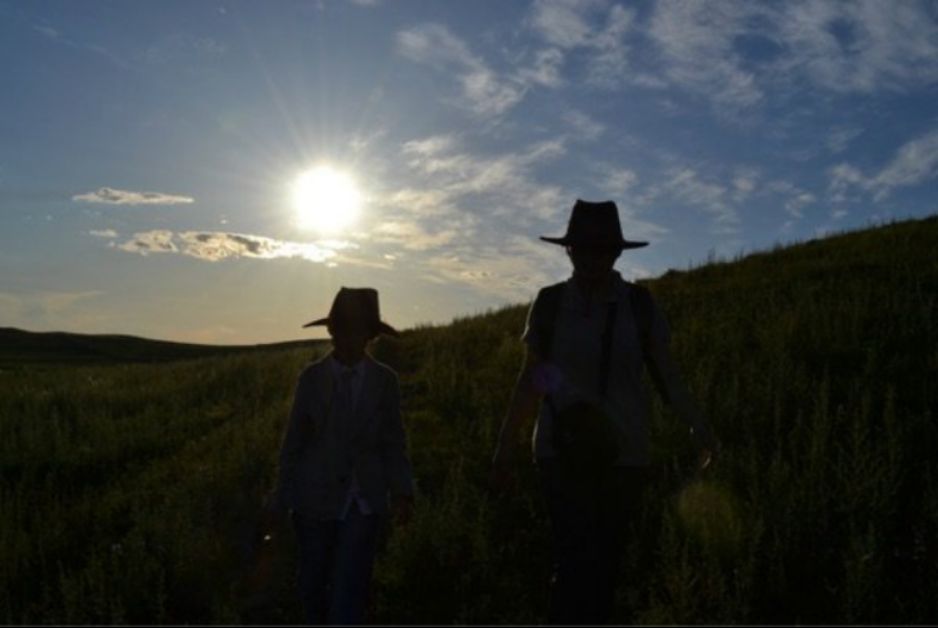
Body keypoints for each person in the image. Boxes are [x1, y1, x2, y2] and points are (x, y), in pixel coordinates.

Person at [491, 200, 719, 625]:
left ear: (615, 254)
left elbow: (667, 376)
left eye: (601, 249)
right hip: (561, 452)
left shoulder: (640, 305)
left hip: (624, 457)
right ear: (569, 251)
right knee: (575, 561)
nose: (592, 257)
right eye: (583, 249)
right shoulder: (551, 303)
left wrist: (701, 431)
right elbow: (532, 380)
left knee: (606, 566)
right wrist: (506, 446)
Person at [263, 287, 415, 625]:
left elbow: (394, 442)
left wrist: (402, 491)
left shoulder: (384, 381)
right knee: (312, 583)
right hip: (312, 499)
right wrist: (280, 497)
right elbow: (293, 444)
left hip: (363, 500)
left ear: (370, 335)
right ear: (331, 330)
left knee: (350, 587)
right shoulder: (311, 379)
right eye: (342, 327)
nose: (347, 336)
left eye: (357, 328)